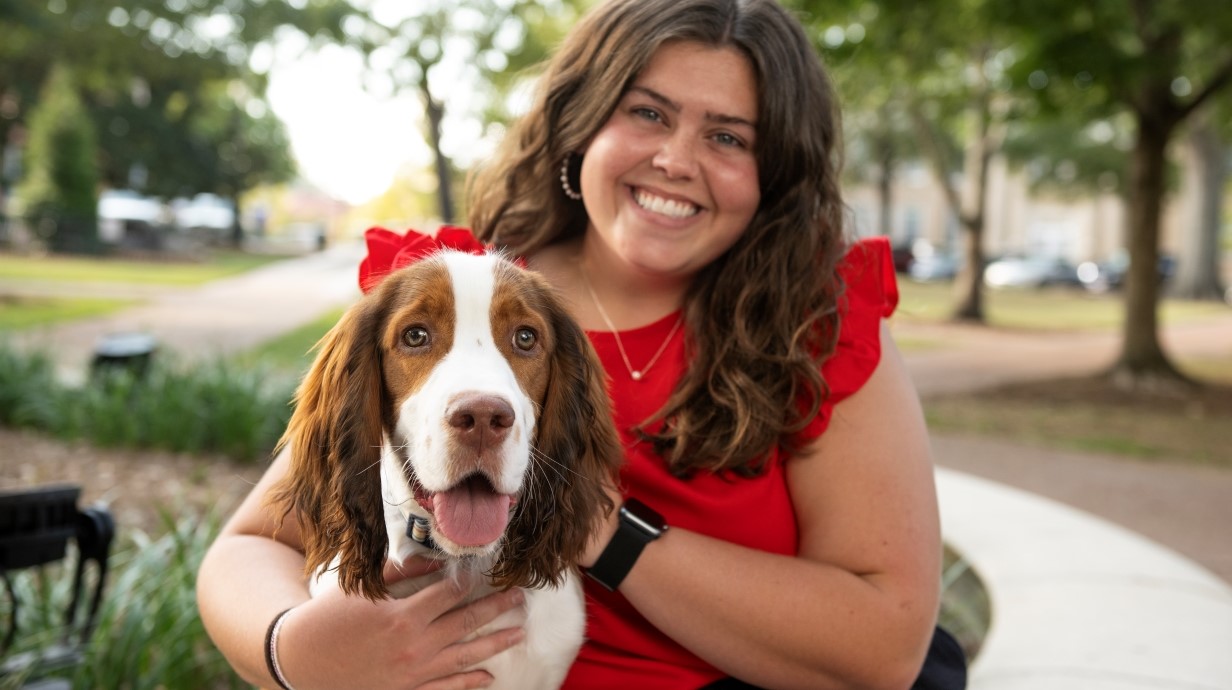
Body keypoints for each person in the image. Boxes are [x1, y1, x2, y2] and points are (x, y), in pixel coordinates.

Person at [196, 0, 945, 688]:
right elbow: (248, 549)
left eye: (726, 137)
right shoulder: (459, 297)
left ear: (770, 176)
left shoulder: (812, 328)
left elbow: (884, 648)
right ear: (581, 124)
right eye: (648, 114)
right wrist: (293, 651)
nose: (677, 161)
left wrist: (603, 530)